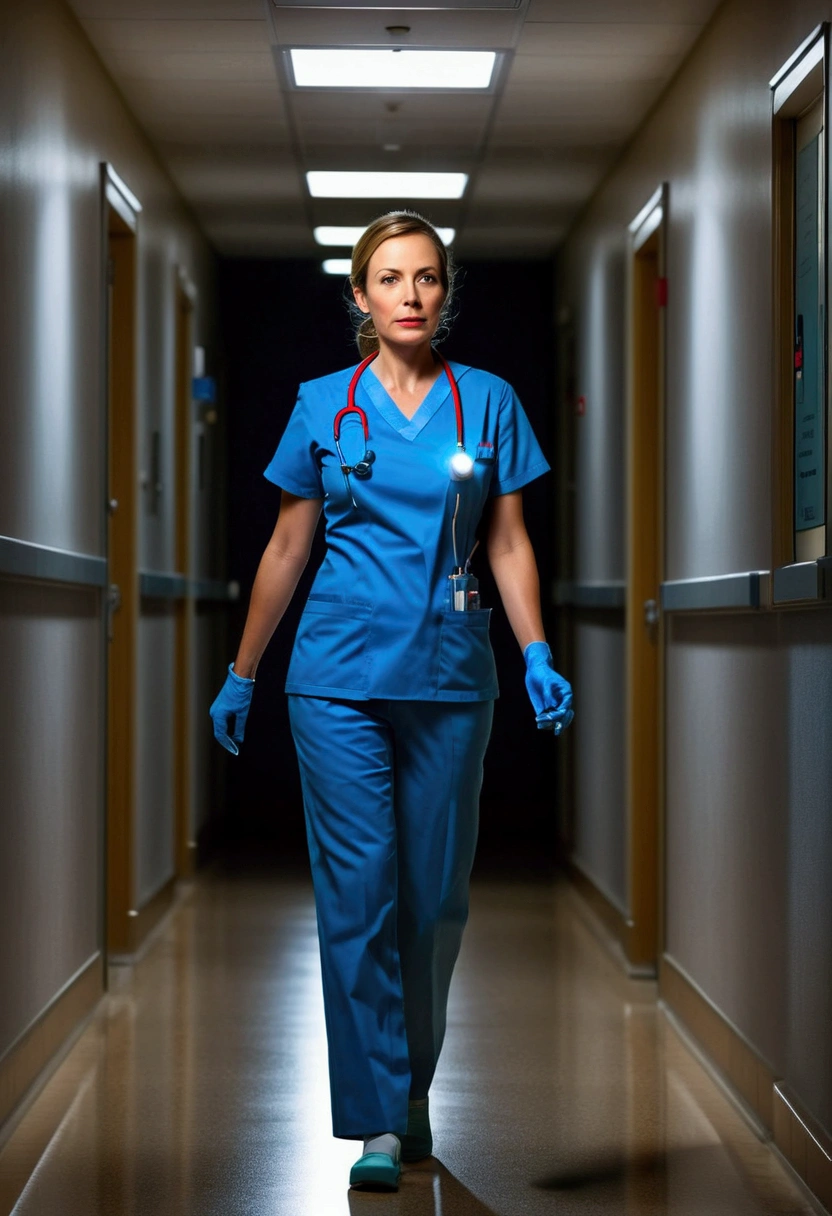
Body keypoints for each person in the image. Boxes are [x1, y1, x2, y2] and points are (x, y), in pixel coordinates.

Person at [209, 211, 573, 1192]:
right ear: (360, 297)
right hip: (334, 681)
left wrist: (535, 650)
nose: (409, 294)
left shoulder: (486, 402)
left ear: (443, 295)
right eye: (388, 278)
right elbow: (288, 545)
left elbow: (505, 541)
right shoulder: (323, 403)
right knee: (359, 898)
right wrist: (243, 671)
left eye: (425, 279)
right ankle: (377, 1115)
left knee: (433, 901)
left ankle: (410, 1086)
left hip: (454, 681)